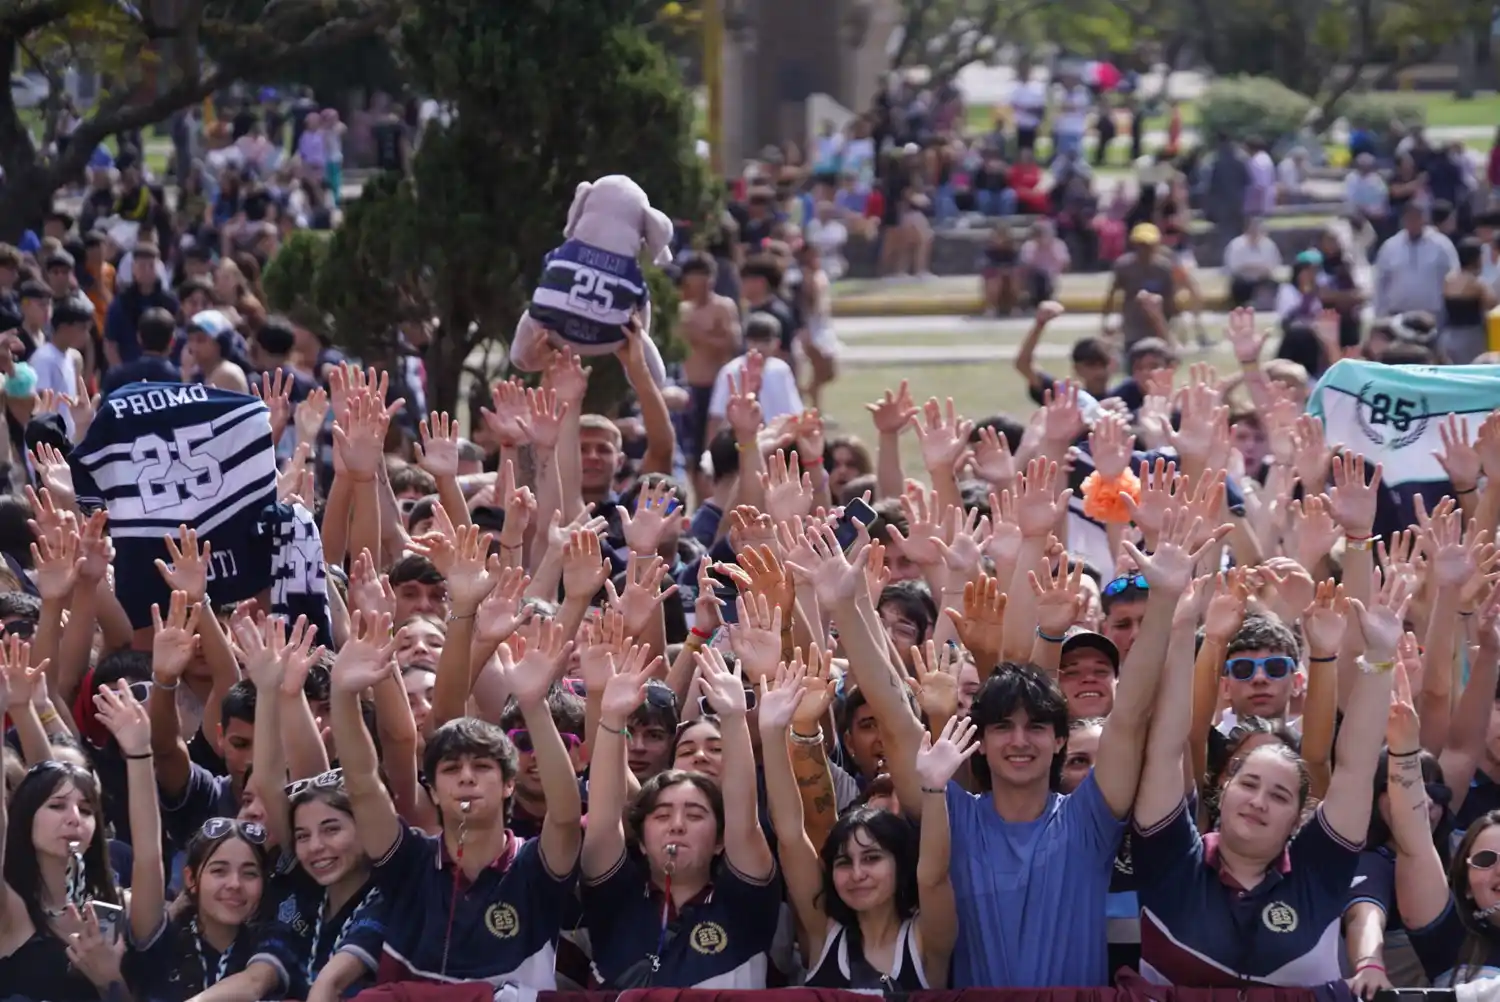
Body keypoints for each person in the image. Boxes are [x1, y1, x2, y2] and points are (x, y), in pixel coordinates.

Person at [1132, 574, 1406, 986]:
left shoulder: (1319, 871)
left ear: (1301, 818)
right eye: (1247, 784)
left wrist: (1381, 654)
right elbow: (1171, 741)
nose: (1258, 801)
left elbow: (1356, 766)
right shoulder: (1171, 860)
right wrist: (1184, 624)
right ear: (1221, 791)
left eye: (1279, 795)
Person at [330, 607, 582, 990]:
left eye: (481, 767)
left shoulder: (533, 867)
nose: (466, 777)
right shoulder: (410, 861)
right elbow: (364, 784)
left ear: (508, 784)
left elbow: (565, 816)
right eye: (450, 770)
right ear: (431, 789)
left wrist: (534, 706)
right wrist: (343, 693)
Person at [760, 649, 968, 991]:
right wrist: (772, 732)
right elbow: (791, 835)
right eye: (844, 862)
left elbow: (933, 876)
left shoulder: (927, 940)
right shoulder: (820, 933)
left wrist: (934, 790)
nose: (857, 874)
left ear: (900, 864)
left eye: (872, 858)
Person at [581, 645, 779, 988]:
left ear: (721, 841)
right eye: (661, 814)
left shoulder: (744, 902)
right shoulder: (615, 896)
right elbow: (602, 820)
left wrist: (733, 718)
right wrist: (611, 716)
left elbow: (744, 822)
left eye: (695, 814)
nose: (677, 824)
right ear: (640, 841)